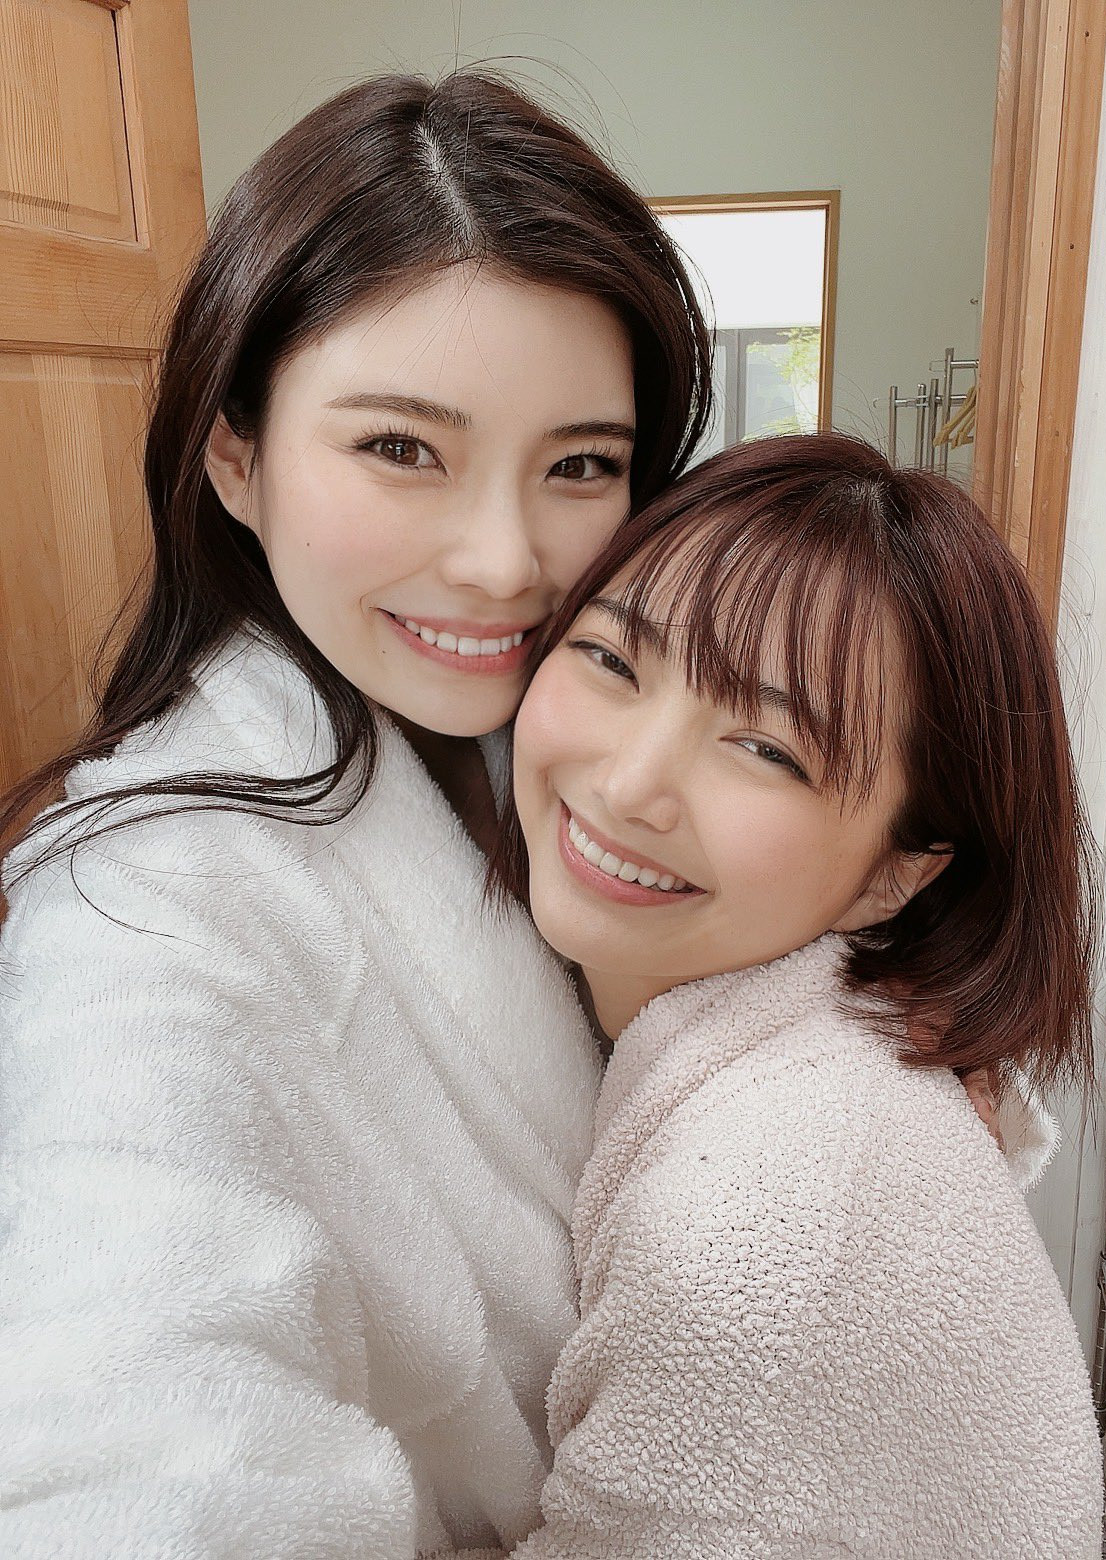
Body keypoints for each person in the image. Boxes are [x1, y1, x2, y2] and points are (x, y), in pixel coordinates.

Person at [0, 70, 713, 1557]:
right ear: (235, 452)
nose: (506, 562)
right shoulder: (141, 908)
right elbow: (126, 1446)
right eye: (401, 447)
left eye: (581, 464)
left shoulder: (583, 729)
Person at [494, 433, 1104, 1558]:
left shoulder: (756, 1244)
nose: (629, 784)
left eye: (768, 749)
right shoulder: (782, 1048)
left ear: (897, 872)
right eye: (614, 661)